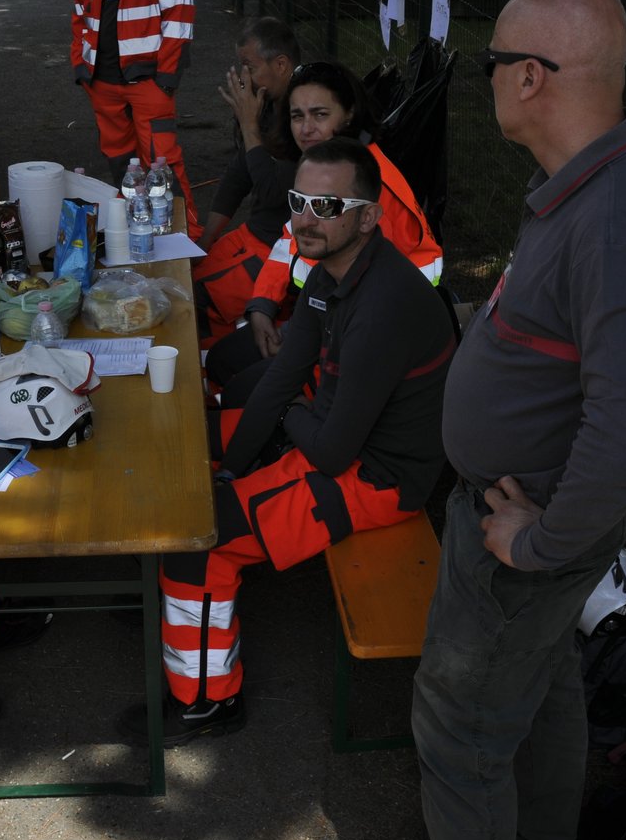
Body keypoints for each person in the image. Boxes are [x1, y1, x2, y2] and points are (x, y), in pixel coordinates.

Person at [408, 0, 626, 840]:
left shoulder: (617, 222)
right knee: (540, 691)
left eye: (494, 64)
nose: (487, 79)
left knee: (459, 731)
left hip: (524, 526)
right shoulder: (584, 186)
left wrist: (537, 544)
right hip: (522, 509)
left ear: (531, 77)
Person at [129, 138, 455, 746]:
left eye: (328, 206)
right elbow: (280, 381)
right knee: (182, 447)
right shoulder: (331, 274)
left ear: (368, 216)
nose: (305, 219)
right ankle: (171, 603)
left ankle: (206, 701)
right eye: (299, 200)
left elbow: (329, 451)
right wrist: (232, 463)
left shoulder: (384, 303)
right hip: (330, 435)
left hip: (379, 477)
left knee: (202, 538)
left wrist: (286, 426)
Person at [205, 59, 443, 386]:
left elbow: (370, 307)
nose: (306, 129)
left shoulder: (366, 184)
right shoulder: (326, 167)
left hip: (373, 336)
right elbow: (290, 239)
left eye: (319, 115)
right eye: (297, 116)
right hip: (322, 315)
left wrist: (301, 338)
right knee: (223, 361)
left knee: (235, 380)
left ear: (348, 114)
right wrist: (261, 306)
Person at [71, 0, 198, 234]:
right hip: (103, 83)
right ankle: (134, 232)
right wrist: (81, 66)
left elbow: (180, 15)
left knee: (165, 165)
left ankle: (185, 243)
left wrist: (167, 79)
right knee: (118, 165)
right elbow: (79, 12)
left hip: (150, 84)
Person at [191, 17, 301, 346]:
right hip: (253, 234)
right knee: (185, 279)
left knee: (198, 301)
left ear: (281, 64)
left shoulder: (304, 116)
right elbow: (240, 173)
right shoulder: (267, 100)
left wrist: (249, 125)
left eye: (248, 67)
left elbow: (272, 191)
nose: (244, 78)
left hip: (279, 248)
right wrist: (206, 241)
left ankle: (212, 379)